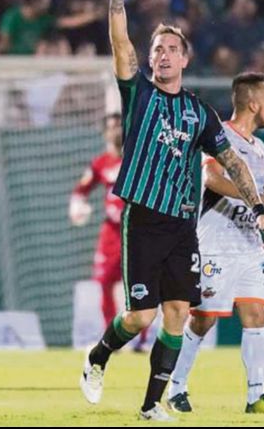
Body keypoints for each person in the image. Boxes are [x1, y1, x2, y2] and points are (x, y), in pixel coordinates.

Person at [79, 0, 264, 422]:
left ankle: (151, 405)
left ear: (185, 60)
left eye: (172, 49)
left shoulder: (199, 113)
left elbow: (233, 163)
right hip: (145, 219)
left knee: (177, 313)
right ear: (149, 60)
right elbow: (120, 43)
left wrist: (259, 207)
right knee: (140, 317)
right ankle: (98, 356)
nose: (163, 55)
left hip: (183, 226)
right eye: (157, 50)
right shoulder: (139, 95)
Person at [166, 72, 264, 414]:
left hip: (249, 245)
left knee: (256, 314)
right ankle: (176, 388)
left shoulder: (260, 148)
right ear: (252, 102)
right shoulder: (220, 135)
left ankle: (256, 397)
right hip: (216, 242)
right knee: (204, 319)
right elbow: (211, 178)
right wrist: (251, 198)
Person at [70, 113, 148, 351]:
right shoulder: (100, 163)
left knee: (140, 285)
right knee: (104, 282)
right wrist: (77, 206)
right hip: (111, 233)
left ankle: (141, 340)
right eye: (111, 127)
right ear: (105, 133)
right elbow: (81, 190)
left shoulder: (138, 160)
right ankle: (111, 338)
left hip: (137, 231)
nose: (116, 131)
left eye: (119, 126)